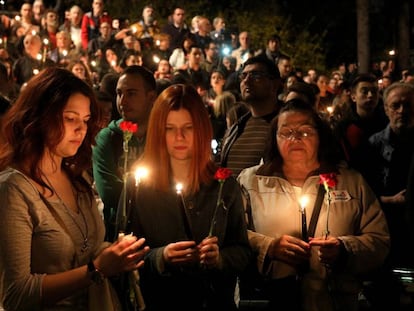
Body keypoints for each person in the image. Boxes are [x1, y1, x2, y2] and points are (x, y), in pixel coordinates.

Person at [0, 67, 148, 310]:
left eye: (86, 120)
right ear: (40, 116)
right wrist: (96, 269)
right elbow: (15, 295)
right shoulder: (13, 190)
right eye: (70, 118)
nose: (80, 129)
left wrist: (117, 252)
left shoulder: (76, 179)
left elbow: (88, 247)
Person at [237, 99, 390, 311]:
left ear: (320, 136)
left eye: (305, 131)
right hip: (275, 298)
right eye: (286, 132)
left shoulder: (350, 181)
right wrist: (268, 247)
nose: (295, 138)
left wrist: (344, 249)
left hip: (332, 300)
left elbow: (379, 241)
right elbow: (231, 234)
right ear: (275, 138)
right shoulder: (250, 181)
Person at [126, 83, 251, 311]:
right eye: (170, 128)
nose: (180, 137)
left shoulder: (223, 185)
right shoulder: (139, 185)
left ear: (201, 129)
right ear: (158, 132)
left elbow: (242, 250)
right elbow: (125, 256)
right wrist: (160, 257)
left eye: (188, 127)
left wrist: (220, 259)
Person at [92, 65, 157, 241]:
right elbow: (110, 193)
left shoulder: (163, 135)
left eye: (131, 93)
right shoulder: (107, 138)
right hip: (119, 236)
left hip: (160, 236)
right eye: (119, 93)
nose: (122, 101)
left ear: (151, 97)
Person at [220, 55, 282, 176]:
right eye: (243, 76)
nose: (246, 81)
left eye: (256, 75)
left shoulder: (287, 127)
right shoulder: (236, 128)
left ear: (274, 84)